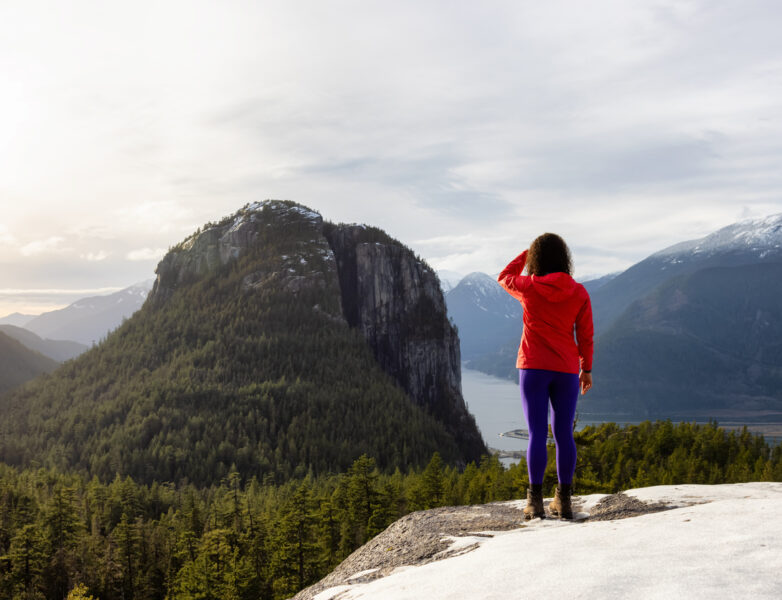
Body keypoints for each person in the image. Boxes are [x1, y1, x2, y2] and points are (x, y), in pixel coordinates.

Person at [497, 233, 593, 520]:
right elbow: (585, 335)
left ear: (536, 260)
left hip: (533, 368)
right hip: (565, 370)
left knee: (537, 434)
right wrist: (586, 369)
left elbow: (504, 276)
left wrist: (526, 254)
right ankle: (563, 501)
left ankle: (534, 502)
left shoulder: (528, 287)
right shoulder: (579, 293)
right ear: (565, 258)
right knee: (564, 434)